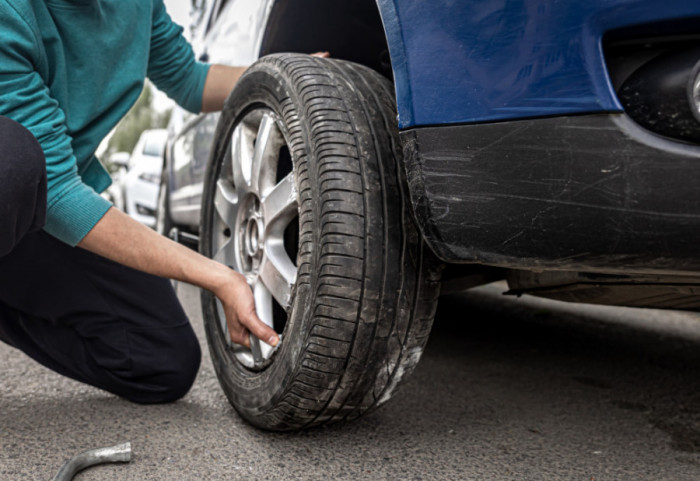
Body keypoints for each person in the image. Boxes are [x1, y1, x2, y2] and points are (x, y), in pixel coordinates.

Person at [0, 0, 281, 404]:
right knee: (13, 159)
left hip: (31, 212)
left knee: (161, 359)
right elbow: (60, 193)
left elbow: (190, 81)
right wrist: (218, 275)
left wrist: (287, 71)